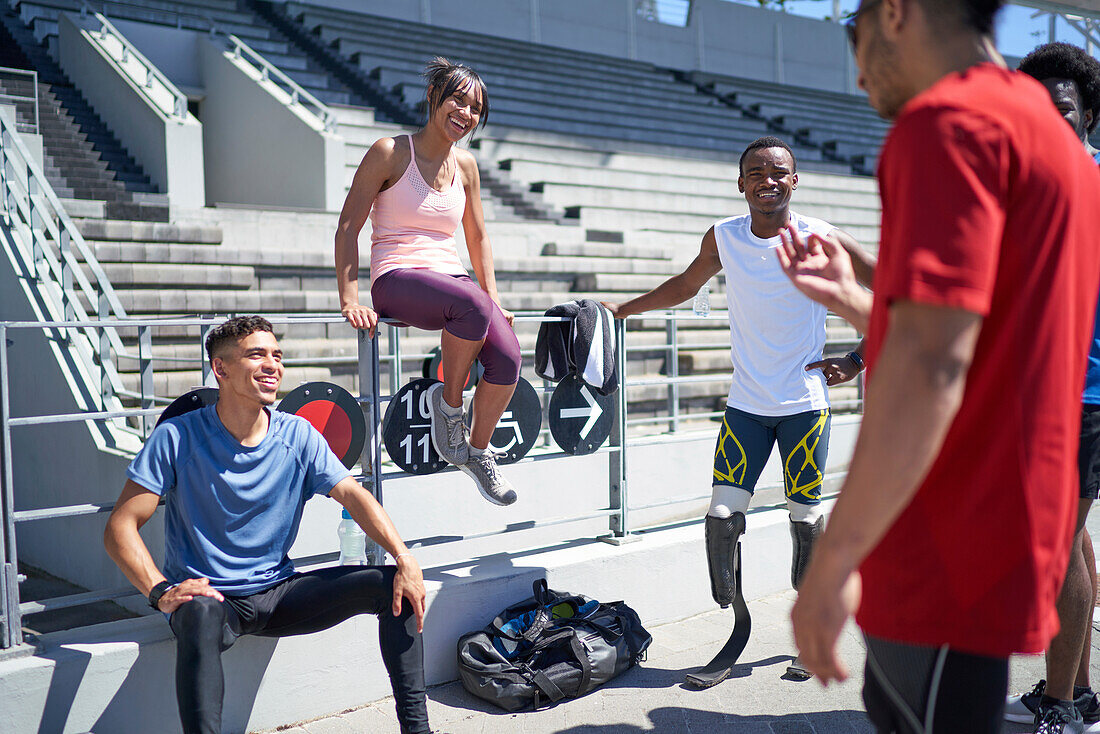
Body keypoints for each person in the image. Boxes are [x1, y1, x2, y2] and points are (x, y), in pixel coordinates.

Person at [778, 1, 1100, 732]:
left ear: (896, 12)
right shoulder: (1051, 137)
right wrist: (862, 303)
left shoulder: (947, 124)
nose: (858, 77)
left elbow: (930, 368)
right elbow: (992, 341)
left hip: (945, 534)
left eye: (855, 43)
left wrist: (829, 567)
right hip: (1006, 523)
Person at [602, 135, 876, 677]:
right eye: (756, 172)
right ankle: (735, 616)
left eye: (779, 172)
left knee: (805, 519)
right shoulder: (723, 237)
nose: (767, 181)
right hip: (746, 406)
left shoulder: (821, 237)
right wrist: (624, 308)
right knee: (722, 517)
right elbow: (686, 283)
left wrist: (858, 358)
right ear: (740, 182)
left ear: (794, 181)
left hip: (804, 406)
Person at [104, 316, 431, 734]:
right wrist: (161, 590)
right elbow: (121, 525)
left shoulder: (299, 435)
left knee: (395, 587)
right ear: (220, 369)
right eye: (256, 354)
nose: (272, 364)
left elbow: (353, 495)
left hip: (279, 592)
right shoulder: (178, 437)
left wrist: (404, 557)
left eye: (277, 355)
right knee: (200, 611)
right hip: (211, 600)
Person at [334, 57, 521, 506]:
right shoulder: (391, 152)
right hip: (397, 276)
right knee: (471, 304)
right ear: (434, 96)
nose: (466, 112)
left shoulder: (468, 167)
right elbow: (348, 226)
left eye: (475, 107)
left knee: (509, 359)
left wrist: (494, 297)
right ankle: (449, 409)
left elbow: (476, 236)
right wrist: (350, 297)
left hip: (453, 283)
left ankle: (475, 451)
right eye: (458, 99)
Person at [1004, 41, 1100, 733]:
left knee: (1055, 548)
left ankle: (1063, 709)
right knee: (1073, 541)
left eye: (1061, 109)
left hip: (1079, 397)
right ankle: (1078, 691)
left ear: (1088, 115)